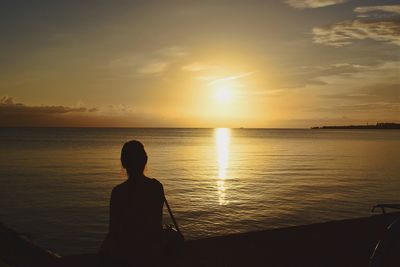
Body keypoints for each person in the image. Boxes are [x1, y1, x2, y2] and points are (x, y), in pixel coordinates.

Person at [100, 140, 165, 267]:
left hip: (126, 255)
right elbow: (156, 223)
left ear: (123, 163)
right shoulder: (156, 187)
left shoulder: (118, 192)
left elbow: (113, 231)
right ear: (145, 160)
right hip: (152, 252)